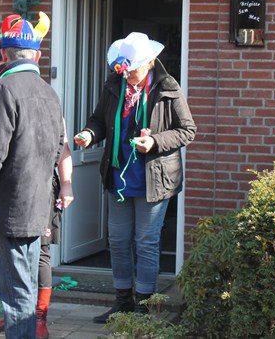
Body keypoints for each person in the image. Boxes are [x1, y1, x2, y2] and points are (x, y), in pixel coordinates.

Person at [73, 31, 197, 324]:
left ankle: (145, 305)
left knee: (146, 242)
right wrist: (89, 134)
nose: (127, 74)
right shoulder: (114, 85)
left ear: (149, 63)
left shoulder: (168, 87)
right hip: (119, 178)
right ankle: (123, 303)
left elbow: (187, 130)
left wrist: (155, 141)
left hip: (154, 179)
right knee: (118, 241)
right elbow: (98, 120)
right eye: (124, 69)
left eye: (133, 69)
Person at [0, 12, 65, 338]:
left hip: (9, 208)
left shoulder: (2, 89)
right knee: (26, 289)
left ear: (4, 55)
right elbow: (57, 147)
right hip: (37, 204)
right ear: (37, 55)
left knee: (16, 295)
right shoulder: (50, 92)